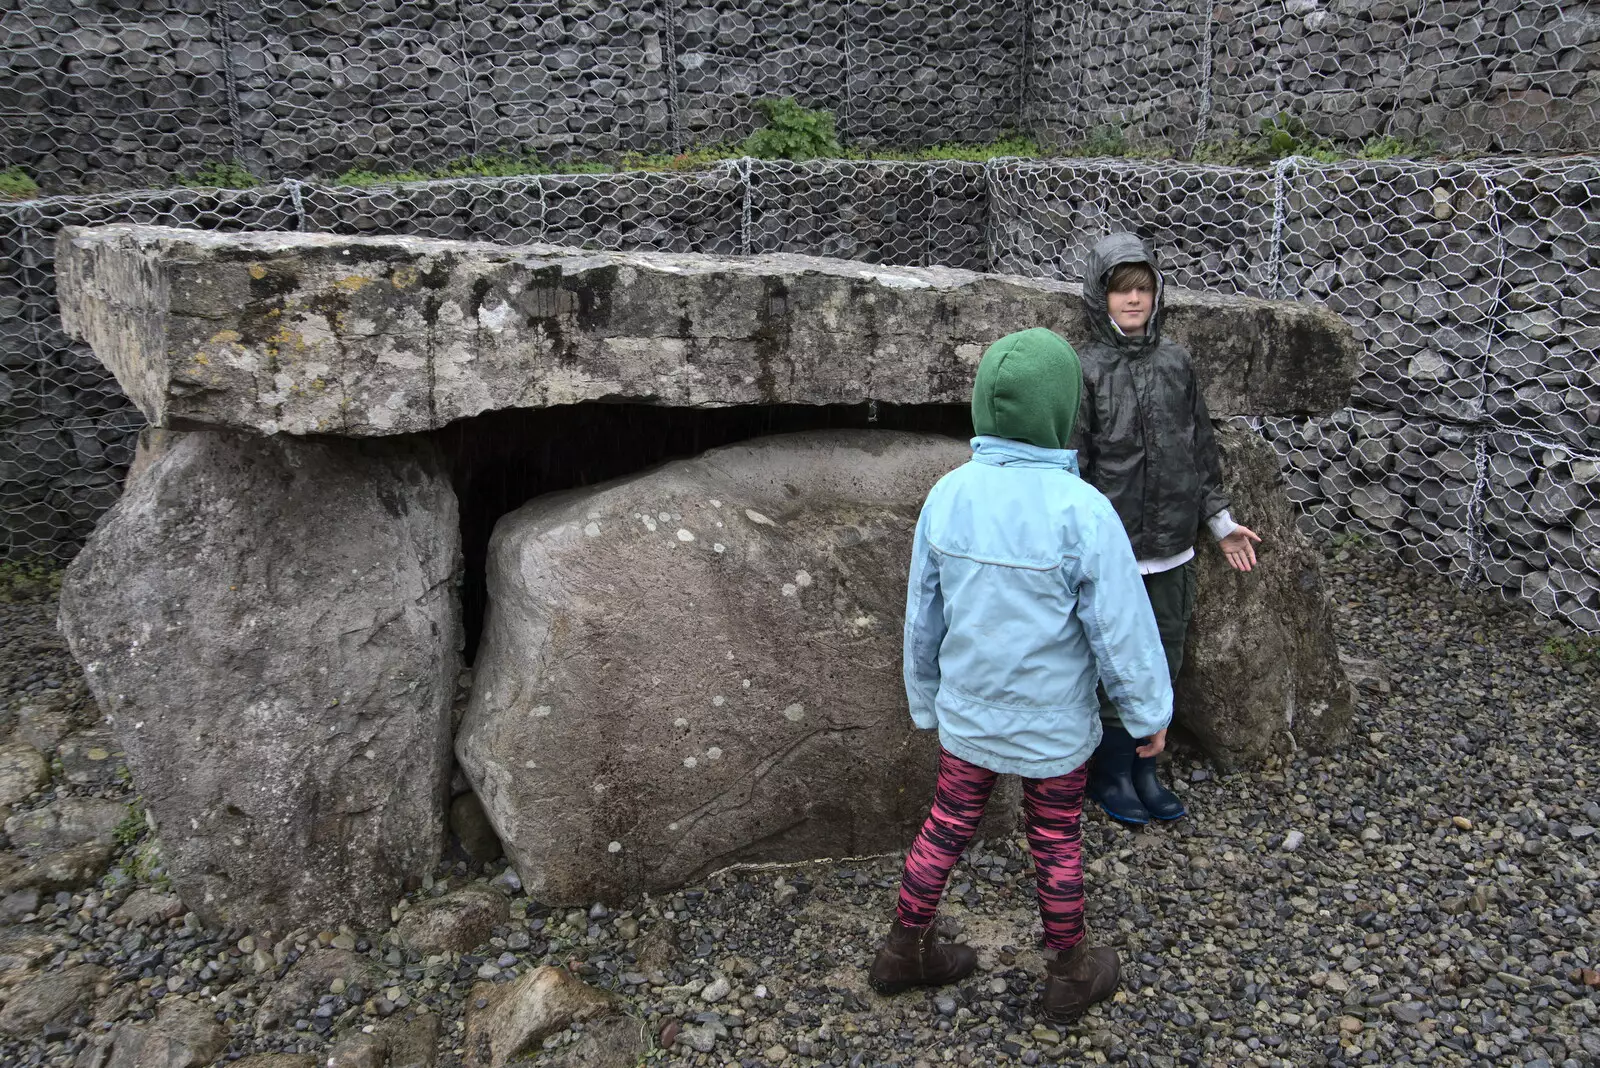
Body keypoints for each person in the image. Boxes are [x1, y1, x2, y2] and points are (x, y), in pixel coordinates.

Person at [868, 327, 1174, 1022]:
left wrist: (926, 700)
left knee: (946, 823)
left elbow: (923, 616)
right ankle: (1069, 970)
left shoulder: (948, 495)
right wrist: (1148, 711)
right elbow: (1121, 629)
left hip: (969, 716)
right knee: (1056, 834)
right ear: (1060, 412)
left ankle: (902, 948)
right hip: (1053, 724)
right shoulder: (1084, 512)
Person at [1072, 233, 1262, 826]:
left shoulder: (1177, 363)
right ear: (1099, 296)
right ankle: (1109, 774)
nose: (1134, 300)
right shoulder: (1085, 368)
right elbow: (1073, 463)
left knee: (1165, 654)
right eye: (1122, 289)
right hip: (1114, 551)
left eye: (1144, 288)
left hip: (1174, 547)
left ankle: (1145, 768)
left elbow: (1199, 451)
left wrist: (1222, 524)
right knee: (1110, 661)